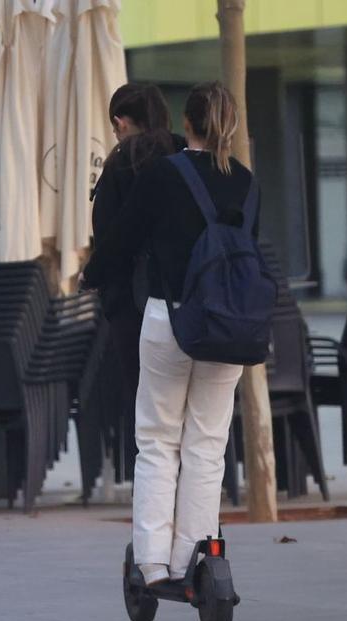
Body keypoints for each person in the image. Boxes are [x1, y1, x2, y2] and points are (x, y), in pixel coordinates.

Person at [87, 82, 258, 585]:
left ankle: (153, 563)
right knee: (208, 444)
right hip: (226, 325)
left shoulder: (165, 174)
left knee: (159, 441)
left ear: (187, 124)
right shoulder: (247, 182)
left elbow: (120, 241)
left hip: (169, 320)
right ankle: (196, 557)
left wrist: (92, 275)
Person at [81, 83, 184, 458]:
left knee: (150, 416)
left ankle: (157, 507)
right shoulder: (183, 154)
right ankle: (197, 509)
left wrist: (91, 276)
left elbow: (112, 235)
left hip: (136, 305)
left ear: (120, 122)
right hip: (189, 303)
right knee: (190, 417)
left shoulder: (123, 162)